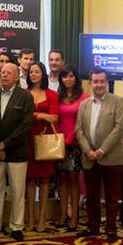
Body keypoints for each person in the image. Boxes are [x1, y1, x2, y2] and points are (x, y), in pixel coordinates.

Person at [0, 63, 34, 241]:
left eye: (8, 73)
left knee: (17, 191)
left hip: (16, 152)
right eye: (2, 72)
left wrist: (4, 145)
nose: (4, 75)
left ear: (16, 76)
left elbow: (25, 126)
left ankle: (16, 226)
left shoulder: (25, 97)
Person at [75, 68, 123, 243]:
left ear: (107, 82)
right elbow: (79, 129)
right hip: (89, 157)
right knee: (91, 195)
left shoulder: (118, 101)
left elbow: (119, 129)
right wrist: (88, 150)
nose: (99, 85)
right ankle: (93, 227)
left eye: (102, 81)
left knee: (112, 196)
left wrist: (101, 151)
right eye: (95, 81)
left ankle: (111, 229)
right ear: (90, 83)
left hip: (111, 157)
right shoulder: (84, 104)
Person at [25, 61, 59, 233]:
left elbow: (54, 117)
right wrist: (40, 115)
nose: (33, 75)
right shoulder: (24, 93)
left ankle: (42, 219)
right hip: (27, 140)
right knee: (29, 181)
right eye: (31, 72)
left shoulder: (52, 94)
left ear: (43, 74)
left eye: (37, 72)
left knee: (45, 181)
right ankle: (30, 219)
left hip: (45, 141)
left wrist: (36, 116)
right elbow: (22, 116)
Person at [55, 66, 89, 232]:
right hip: (58, 144)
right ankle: (62, 215)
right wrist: (60, 140)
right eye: (64, 77)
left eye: (70, 76)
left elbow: (81, 123)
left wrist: (69, 139)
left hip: (74, 144)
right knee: (61, 180)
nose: (67, 80)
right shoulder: (58, 96)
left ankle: (74, 216)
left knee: (74, 181)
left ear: (76, 78)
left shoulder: (84, 97)